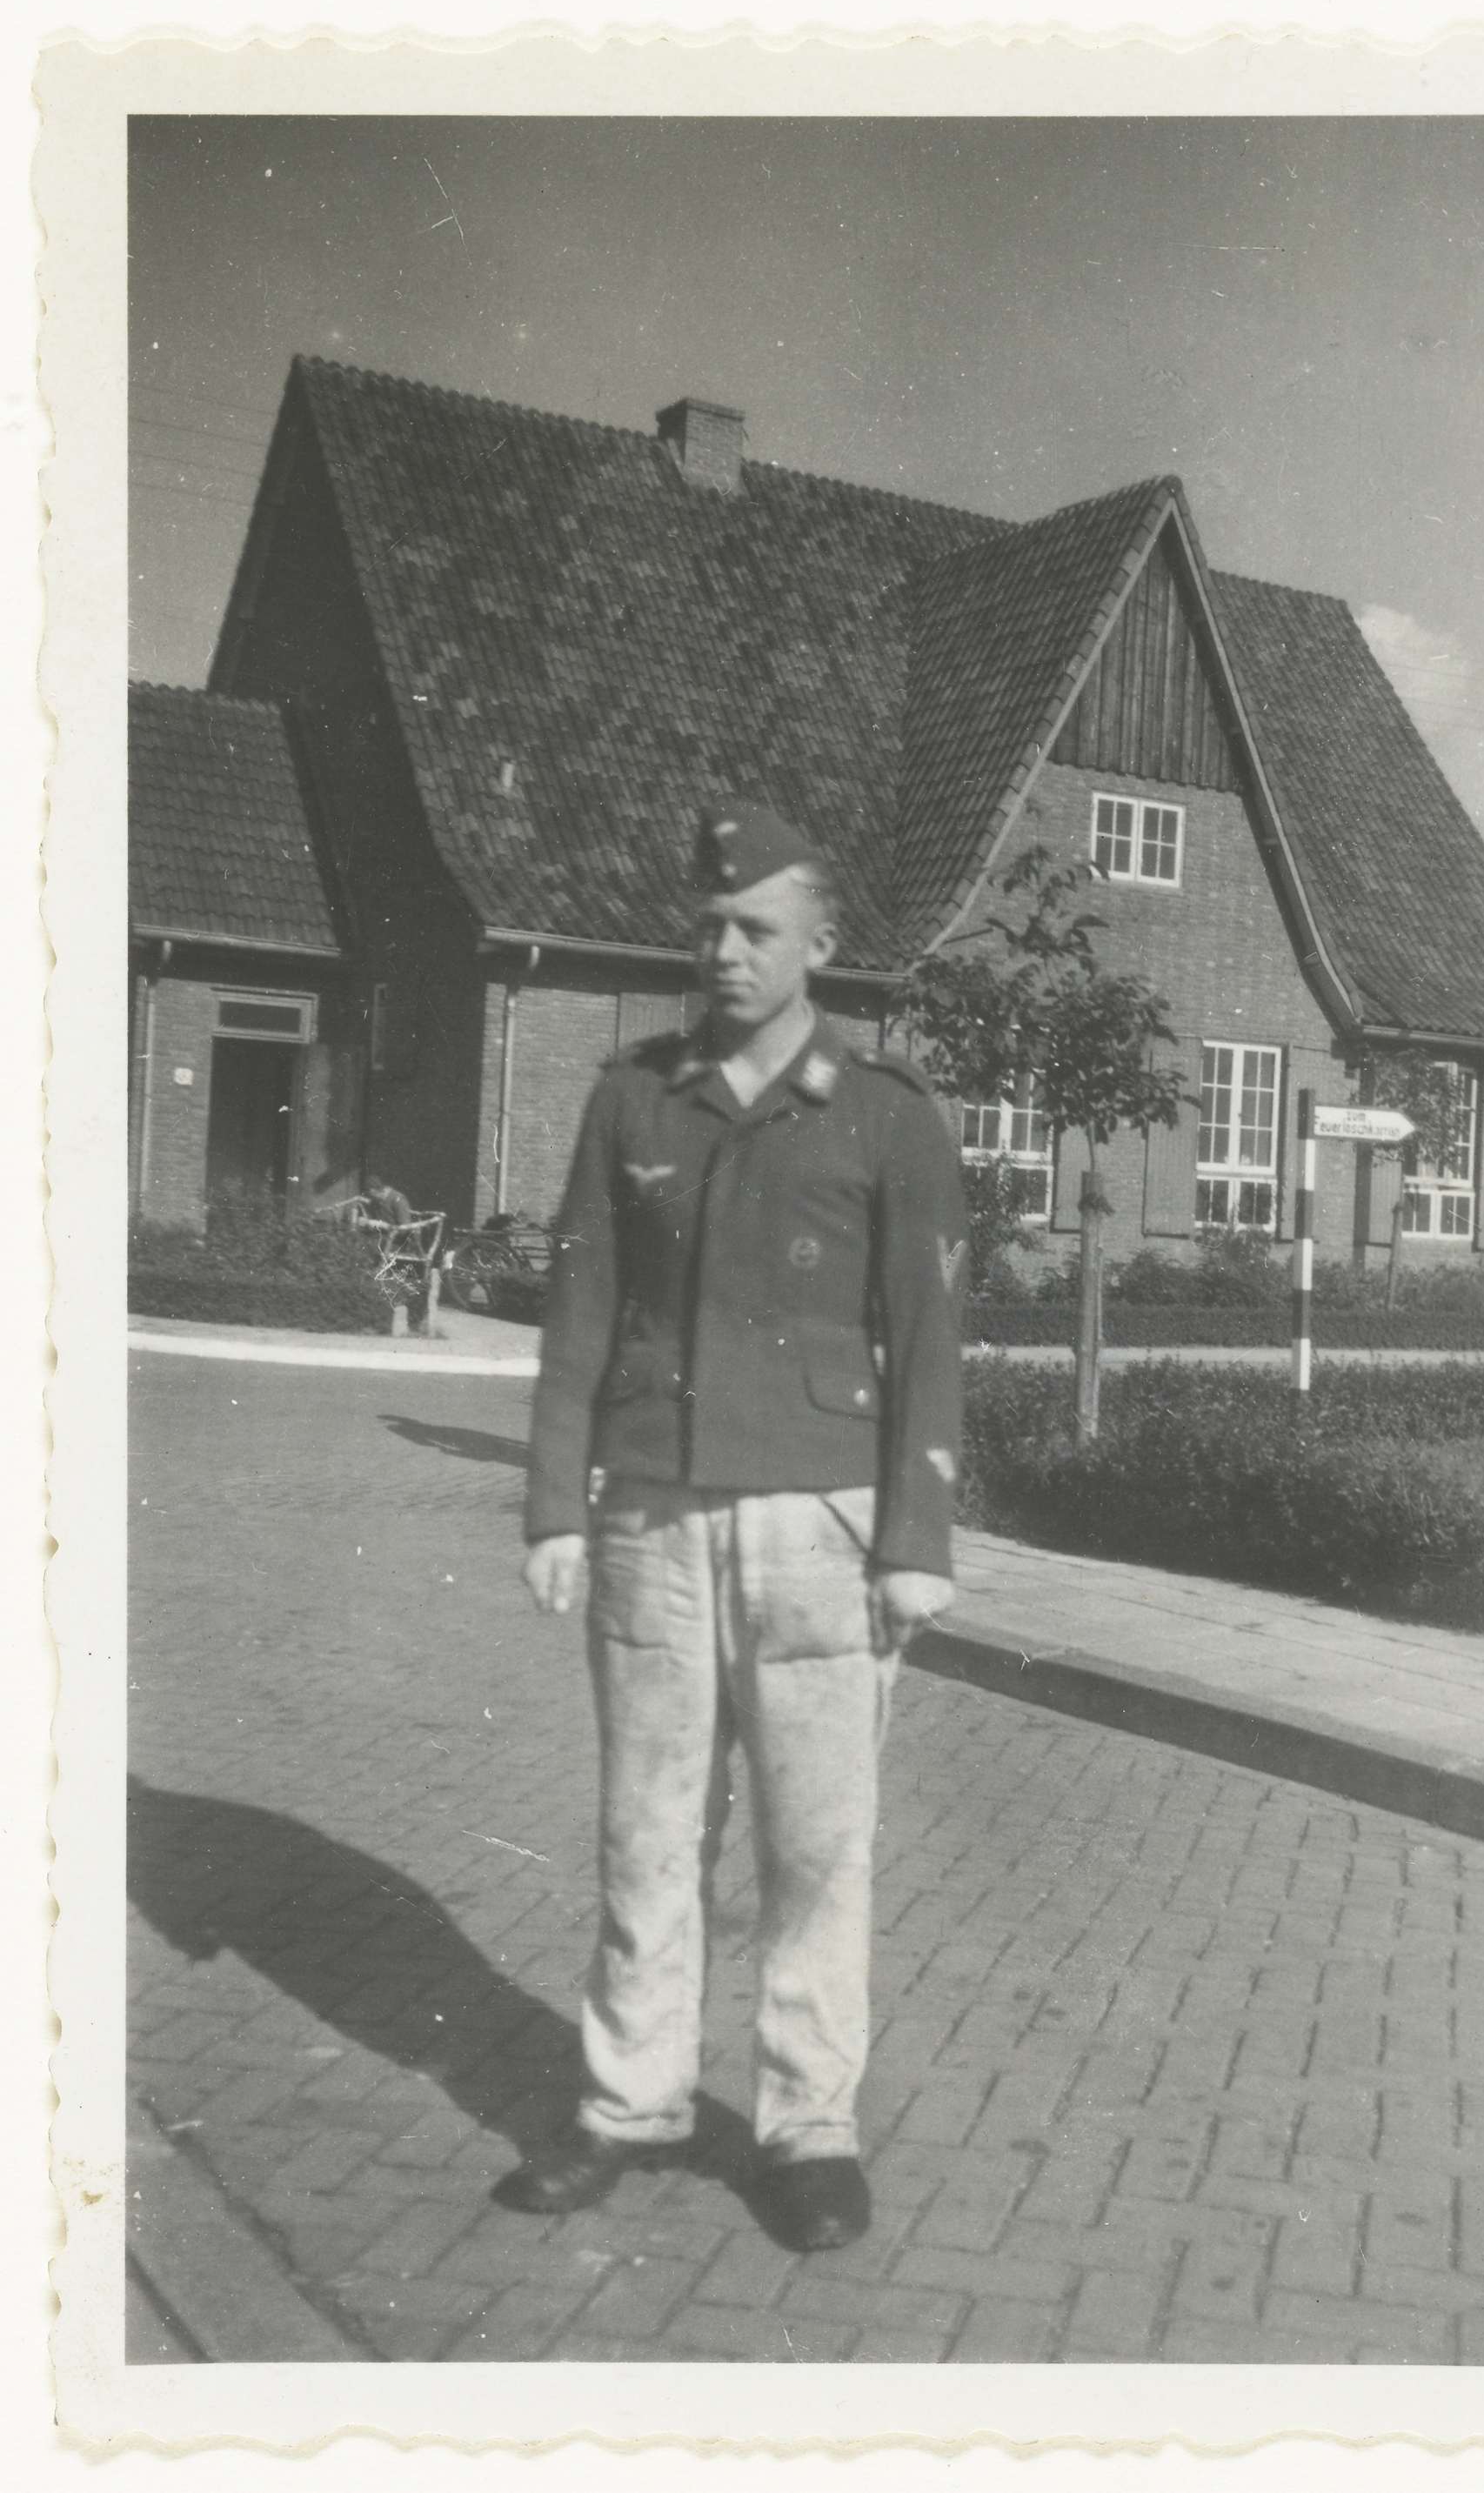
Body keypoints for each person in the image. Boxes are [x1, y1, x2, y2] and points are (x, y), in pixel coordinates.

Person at [503, 800, 968, 2251]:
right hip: (650, 1511)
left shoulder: (885, 1113)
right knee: (647, 1825)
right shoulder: (633, 1098)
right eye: (708, 925)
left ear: (820, 943)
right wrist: (554, 1504)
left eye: (756, 927)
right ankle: (628, 2100)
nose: (724, 950)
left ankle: (806, 2127)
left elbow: (930, 1336)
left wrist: (917, 1541)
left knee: (816, 1844)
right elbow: (581, 1308)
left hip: (820, 1523)